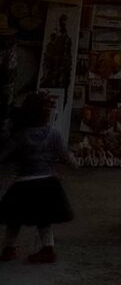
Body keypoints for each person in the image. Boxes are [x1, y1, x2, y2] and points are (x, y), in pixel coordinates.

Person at [0, 91, 75, 263]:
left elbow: (3, 155)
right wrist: (75, 162)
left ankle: (8, 249)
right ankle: (48, 249)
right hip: (48, 182)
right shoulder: (53, 134)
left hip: (23, 183)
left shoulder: (21, 135)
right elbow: (66, 156)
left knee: (14, 218)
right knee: (44, 219)